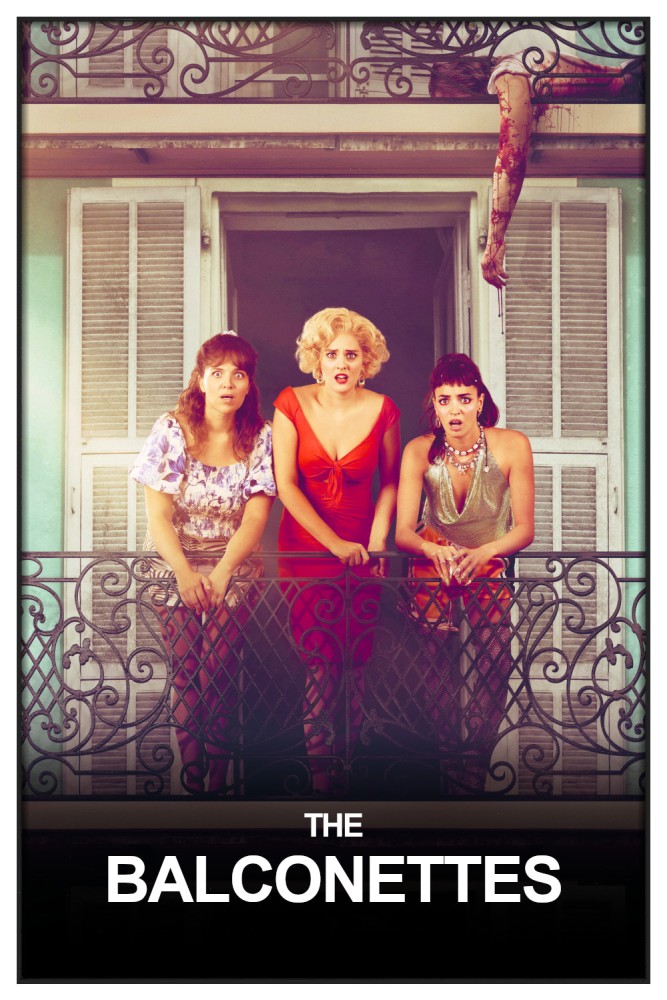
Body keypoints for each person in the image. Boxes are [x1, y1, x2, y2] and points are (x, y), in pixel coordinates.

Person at [130, 333, 276, 793]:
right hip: (175, 564)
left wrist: (222, 572)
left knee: (217, 670)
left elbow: (255, 516)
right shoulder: (172, 429)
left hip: (230, 566)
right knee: (187, 672)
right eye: (218, 373)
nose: (228, 383)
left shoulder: (260, 435)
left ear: (249, 384)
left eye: (239, 374)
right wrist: (184, 573)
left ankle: (218, 783)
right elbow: (158, 514)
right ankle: (193, 782)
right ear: (201, 379)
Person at [272, 307, 401, 793]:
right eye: (331, 354)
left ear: (366, 361)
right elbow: (285, 485)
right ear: (316, 359)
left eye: (352, 354)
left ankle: (350, 767)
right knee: (321, 659)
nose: (342, 363)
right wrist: (336, 545)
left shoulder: (385, 408)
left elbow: (390, 483)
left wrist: (376, 538)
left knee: (356, 659)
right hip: (306, 546)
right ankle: (320, 777)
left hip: (363, 548)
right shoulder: (290, 403)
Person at [395, 352, 534, 792]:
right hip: (434, 561)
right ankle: (448, 756)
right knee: (436, 665)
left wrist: (485, 552)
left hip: (490, 557)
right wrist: (431, 551)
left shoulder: (512, 444)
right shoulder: (419, 450)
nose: (453, 410)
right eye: (444, 400)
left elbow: (526, 529)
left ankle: (478, 756)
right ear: (433, 405)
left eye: (462, 399)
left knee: (496, 658)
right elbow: (402, 532)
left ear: (479, 401)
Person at [429, 48, 644, 288]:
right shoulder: (514, 72)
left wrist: (495, 241)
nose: (454, 112)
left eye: (449, 99)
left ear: (463, 83)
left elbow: (512, 155)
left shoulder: (508, 74)